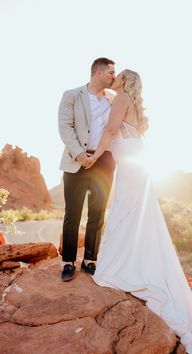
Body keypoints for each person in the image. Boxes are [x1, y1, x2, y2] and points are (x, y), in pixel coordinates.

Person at [86, 69, 192, 354]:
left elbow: (112, 131)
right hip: (136, 164)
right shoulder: (132, 103)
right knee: (133, 216)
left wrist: (94, 153)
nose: (115, 76)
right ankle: (135, 264)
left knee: (125, 215)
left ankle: (122, 268)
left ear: (125, 81)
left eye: (119, 74)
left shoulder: (121, 98)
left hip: (130, 165)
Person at [58, 57, 116, 282]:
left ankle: (90, 261)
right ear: (98, 72)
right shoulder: (71, 95)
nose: (114, 76)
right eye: (111, 72)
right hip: (76, 160)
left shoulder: (112, 100)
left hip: (104, 162)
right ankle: (68, 262)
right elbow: (65, 127)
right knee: (72, 214)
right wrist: (79, 154)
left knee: (98, 213)